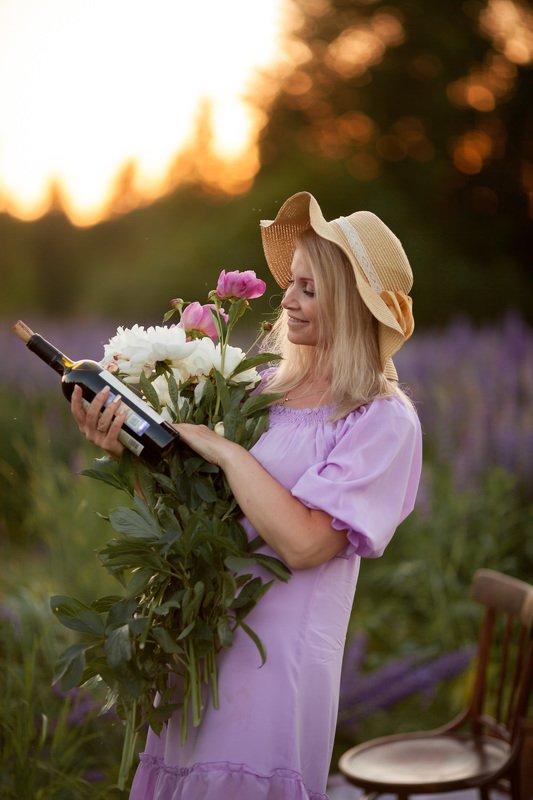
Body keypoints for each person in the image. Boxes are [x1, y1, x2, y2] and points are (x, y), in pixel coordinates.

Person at [71, 191, 423, 800]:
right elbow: (190, 505)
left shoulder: (380, 420)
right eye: (291, 283)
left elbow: (308, 544)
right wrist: (123, 449)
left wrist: (227, 450)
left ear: (350, 303)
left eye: (308, 289)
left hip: (274, 665)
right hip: (198, 641)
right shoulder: (255, 386)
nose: (286, 298)